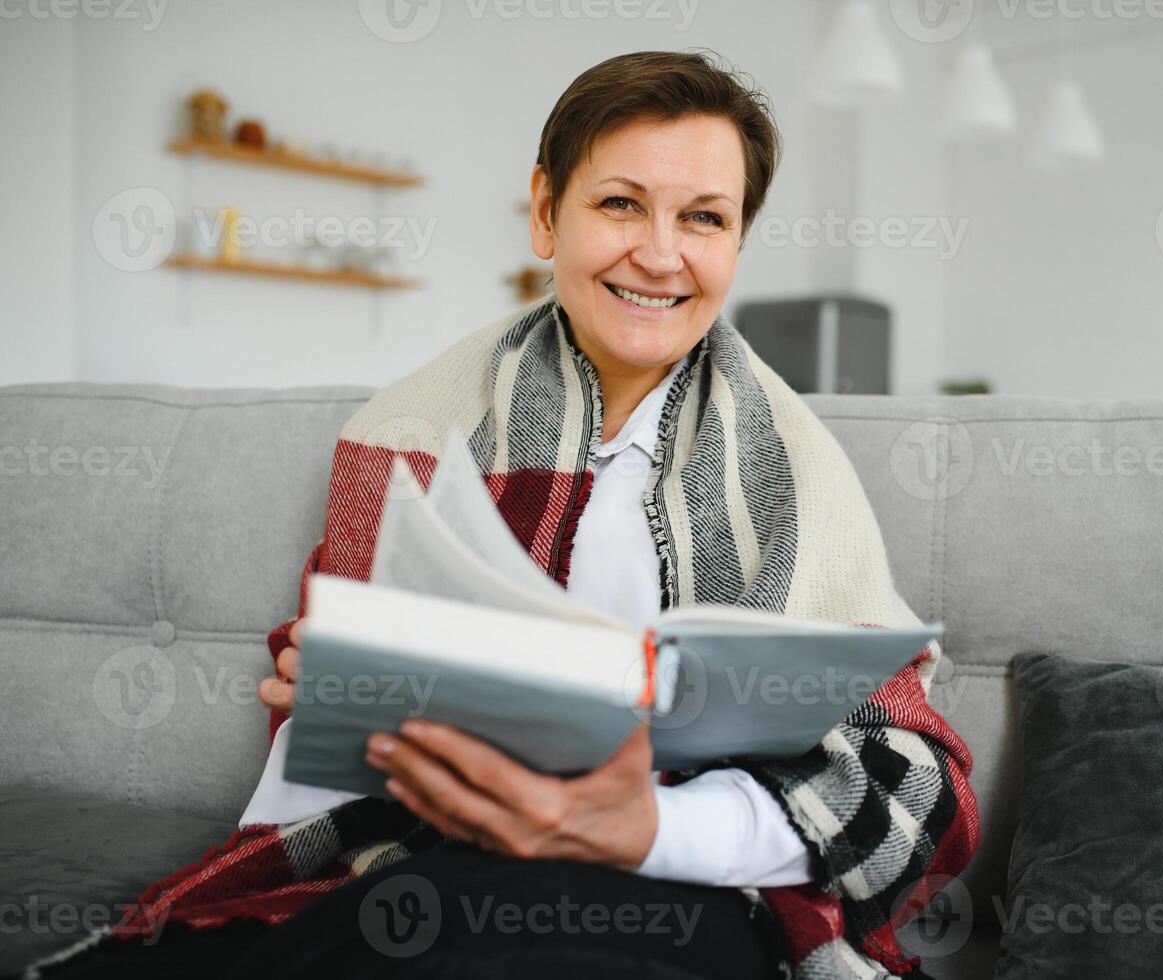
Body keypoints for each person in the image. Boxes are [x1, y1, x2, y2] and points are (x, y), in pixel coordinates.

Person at [33, 49, 978, 980]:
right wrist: (337, 686)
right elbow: (334, 742)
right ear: (544, 213)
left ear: (735, 242)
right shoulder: (408, 435)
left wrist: (651, 827)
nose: (660, 252)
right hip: (437, 857)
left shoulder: (801, 474)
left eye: (704, 218)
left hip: (694, 888)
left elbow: (918, 781)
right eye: (619, 203)